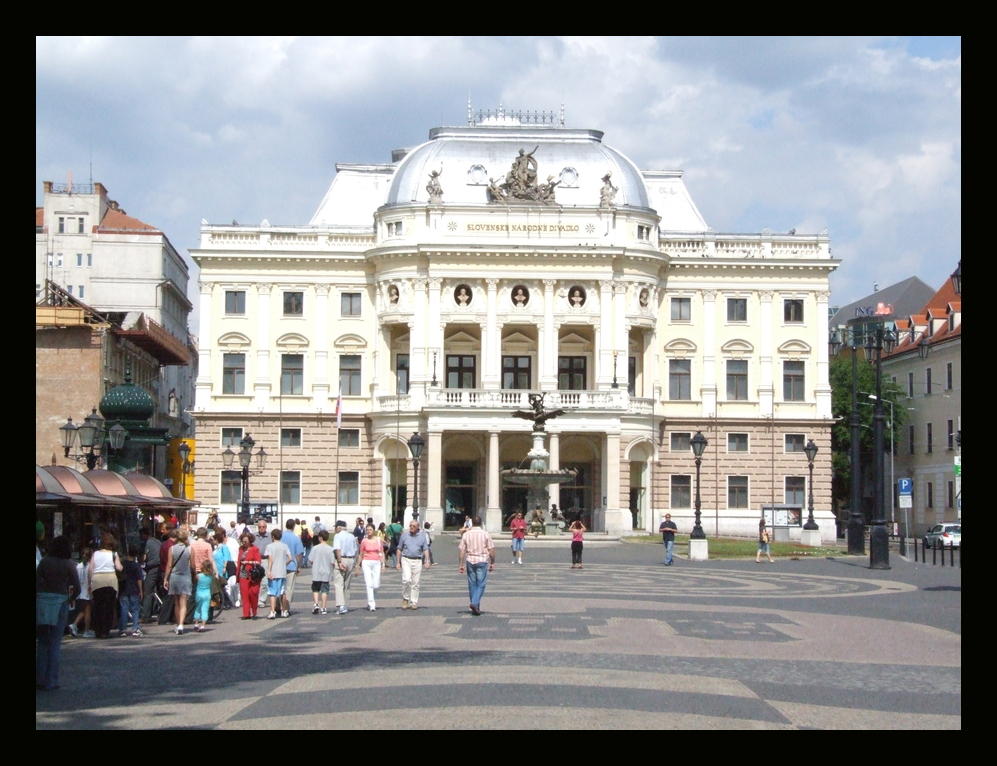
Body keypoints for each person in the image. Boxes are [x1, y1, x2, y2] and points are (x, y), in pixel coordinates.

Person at [36, 535, 79, 691]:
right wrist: (70, 599)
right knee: (55, 642)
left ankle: (39, 678)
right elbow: (77, 587)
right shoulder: (68, 565)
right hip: (60, 600)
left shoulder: (44, 562)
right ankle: (51, 680)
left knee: (42, 641)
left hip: (42, 601)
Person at [457, 517, 495, 616]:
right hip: (482, 560)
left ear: (472, 523)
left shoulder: (466, 534)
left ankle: (476, 606)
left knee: (472, 584)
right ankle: (474, 603)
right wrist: (493, 562)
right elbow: (491, 550)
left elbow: (461, 550)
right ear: (481, 523)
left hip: (470, 560)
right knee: (481, 584)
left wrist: (461, 564)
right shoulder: (486, 534)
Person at [89, 533, 123, 638]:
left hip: (97, 580)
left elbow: (91, 569)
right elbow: (119, 568)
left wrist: (90, 582)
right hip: (110, 580)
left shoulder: (95, 554)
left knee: (98, 606)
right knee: (109, 607)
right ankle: (105, 631)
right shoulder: (114, 554)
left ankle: (97, 630)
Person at [396, 520, 430, 610]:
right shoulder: (404, 536)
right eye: (410, 525)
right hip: (406, 559)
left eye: (413, 526)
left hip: (418, 560)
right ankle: (405, 598)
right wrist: (398, 562)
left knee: (415, 582)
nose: (411, 527)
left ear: (418, 527)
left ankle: (414, 602)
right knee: (407, 580)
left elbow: (425, 549)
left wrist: (427, 561)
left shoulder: (422, 537)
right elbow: (399, 549)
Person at [163, 529, 192, 635]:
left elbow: (169, 565)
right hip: (186, 576)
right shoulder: (189, 549)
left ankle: (177, 623)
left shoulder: (172, 549)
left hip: (175, 577)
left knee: (176, 603)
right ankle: (181, 625)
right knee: (184, 602)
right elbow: (192, 565)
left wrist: (166, 578)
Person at [355, 524, 386, 611]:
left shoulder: (378, 540)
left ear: (374, 530)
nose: (368, 531)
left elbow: (382, 552)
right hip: (366, 562)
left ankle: (372, 599)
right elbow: (360, 554)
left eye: (370, 529)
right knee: (369, 583)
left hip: (376, 562)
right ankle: (371, 604)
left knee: (376, 584)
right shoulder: (364, 541)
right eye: (367, 530)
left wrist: (383, 565)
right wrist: (357, 566)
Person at [332, 520, 359, 614]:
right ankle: (346, 604)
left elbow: (338, 550)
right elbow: (356, 550)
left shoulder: (337, 536)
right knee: (347, 583)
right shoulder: (352, 536)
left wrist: (339, 562)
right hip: (351, 559)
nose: (335, 529)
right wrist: (355, 563)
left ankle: (341, 605)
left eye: (336, 527)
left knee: (339, 583)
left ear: (339, 527)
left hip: (342, 558)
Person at [118, 543, 144, 637]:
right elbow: (139, 579)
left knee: (124, 609)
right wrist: (141, 591)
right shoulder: (136, 566)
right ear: (136, 554)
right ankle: (135, 628)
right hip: (134, 589)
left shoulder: (122, 564)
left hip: (123, 589)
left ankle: (123, 629)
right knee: (135, 609)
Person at [266, 529, 292, 619]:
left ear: (272, 537)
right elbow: (290, 558)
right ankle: (284, 611)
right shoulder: (284, 546)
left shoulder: (270, 546)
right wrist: (284, 564)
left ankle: (272, 611)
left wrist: (269, 570)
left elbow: (270, 559)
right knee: (282, 592)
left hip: (273, 571)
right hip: (282, 571)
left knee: (272, 592)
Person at [309, 530, 335, 614]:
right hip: (326, 572)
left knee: (315, 589)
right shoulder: (330, 549)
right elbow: (332, 561)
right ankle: (324, 607)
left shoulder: (315, 548)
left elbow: (310, 560)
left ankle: (316, 603)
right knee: (325, 590)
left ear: (320, 538)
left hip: (316, 572)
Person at [236, 533, 262, 619]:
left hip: (252, 575)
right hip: (242, 574)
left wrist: (248, 562)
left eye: (246, 541)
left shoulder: (255, 549)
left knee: (253, 594)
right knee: (244, 594)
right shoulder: (240, 549)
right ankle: (246, 614)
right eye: (243, 541)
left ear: (250, 541)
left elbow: (258, 562)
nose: (244, 543)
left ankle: (254, 612)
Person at [281, 519, 304, 616]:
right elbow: (299, 554)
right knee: (289, 588)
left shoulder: (280, 536)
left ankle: (279, 606)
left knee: (280, 587)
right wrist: (299, 565)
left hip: (280, 565)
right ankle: (286, 608)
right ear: (294, 526)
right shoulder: (296, 538)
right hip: (292, 565)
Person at [69, 547, 93, 638]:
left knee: (83, 610)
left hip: (80, 590)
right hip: (87, 591)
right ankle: (86, 630)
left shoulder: (78, 566)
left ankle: (75, 625)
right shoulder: (90, 566)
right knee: (87, 611)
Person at [139, 528, 161, 622]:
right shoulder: (158, 541)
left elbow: (143, 557)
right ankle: (158, 611)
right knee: (158, 591)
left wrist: (140, 564)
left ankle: (146, 615)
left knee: (147, 592)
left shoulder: (147, 543)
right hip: (160, 567)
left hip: (152, 568)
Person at [253, 521, 273, 610]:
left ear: (266, 527)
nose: (262, 528)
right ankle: (254, 600)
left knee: (264, 582)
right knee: (254, 580)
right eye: (260, 527)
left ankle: (261, 600)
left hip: (265, 559)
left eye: (263, 527)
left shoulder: (270, 536)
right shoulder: (253, 536)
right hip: (255, 560)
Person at [212, 528, 235, 608]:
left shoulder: (224, 547)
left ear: (216, 540)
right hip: (216, 569)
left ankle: (227, 603)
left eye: (214, 540)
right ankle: (224, 602)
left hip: (222, 568)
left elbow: (226, 558)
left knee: (221, 586)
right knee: (220, 586)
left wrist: (225, 567)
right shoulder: (216, 548)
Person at [193, 560, 214, 632]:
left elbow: (194, 578)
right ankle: (203, 625)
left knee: (197, 609)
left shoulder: (199, 576)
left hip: (199, 594)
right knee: (205, 610)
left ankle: (196, 623)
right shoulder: (210, 576)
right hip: (207, 594)